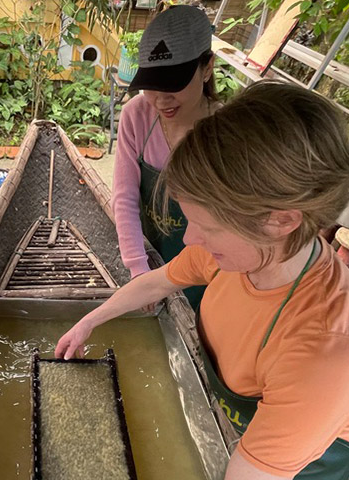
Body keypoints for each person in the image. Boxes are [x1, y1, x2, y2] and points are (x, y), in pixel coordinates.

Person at [57, 82, 349, 480]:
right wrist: (93, 318)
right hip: (240, 419)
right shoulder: (235, 256)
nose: (191, 237)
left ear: (282, 220)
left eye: (209, 226)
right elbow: (158, 282)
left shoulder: (330, 352)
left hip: (301, 473)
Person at [113, 4, 218, 307]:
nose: (161, 100)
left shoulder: (225, 132)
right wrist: (138, 268)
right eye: (151, 85)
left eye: (173, 84)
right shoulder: (137, 116)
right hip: (150, 255)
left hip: (207, 270)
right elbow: (124, 195)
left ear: (207, 66)